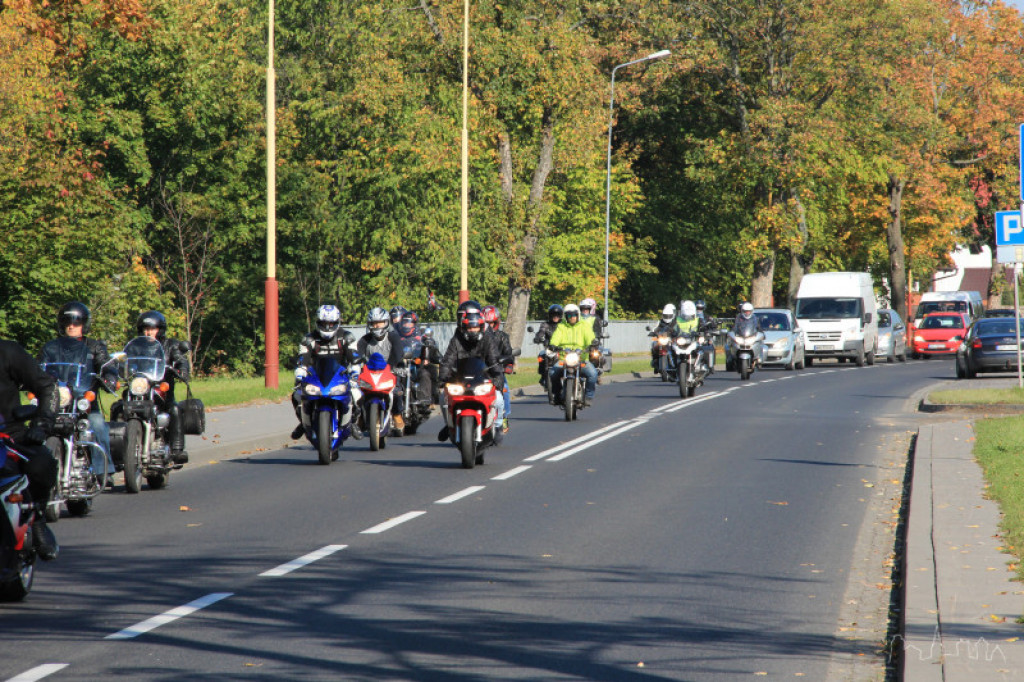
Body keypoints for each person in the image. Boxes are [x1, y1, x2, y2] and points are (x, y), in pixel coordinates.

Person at [38, 301, 118, 480]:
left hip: (83, 402)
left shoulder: (94, 347)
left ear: (84, 324)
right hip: (56, 400)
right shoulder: (51, 347)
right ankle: (31, 473)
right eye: (67, 322)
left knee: (97, 425)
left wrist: (110, 377)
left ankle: (103, 471)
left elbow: (107, 365)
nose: (71, 326)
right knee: (34, 426)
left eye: (76, 322)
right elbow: (39, 367)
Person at [0, 338, 60, 560]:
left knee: (41, 464)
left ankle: (37, 518)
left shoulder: (7, 352)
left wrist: (42, 424)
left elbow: (47, 387)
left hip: (8, 435)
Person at [290, 305, 362, 440]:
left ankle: (352, 423)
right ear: (318, 322)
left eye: (331, 324)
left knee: (357, 394)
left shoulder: (347, 337)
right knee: (296, 395)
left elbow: (355, 358)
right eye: (324, 324)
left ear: (337, 322)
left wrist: (355, 371)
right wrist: (300, 373)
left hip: (340, 377)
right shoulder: (309, 339)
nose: (328, 327)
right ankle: (304, 423)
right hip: (315, 377)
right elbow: (302, 359)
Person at [130, 311, 192, 464]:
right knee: (119, 407)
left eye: (152, 328)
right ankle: (118, 451)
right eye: (146, 328)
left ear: (160, 329)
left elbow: (180, 359)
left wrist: (182, 370)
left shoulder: (170, 345)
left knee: (175, 410)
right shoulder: (136, 346)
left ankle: (177, 450)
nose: (148, 332)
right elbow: (127, 360)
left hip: (161, 392)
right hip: (140, 388)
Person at [437, 305, 504, 441]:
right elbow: (448, 360)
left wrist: (497, 376)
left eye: (475, 327)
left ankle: (497, 426)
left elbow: (494, 360)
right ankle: (449, 424)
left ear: (481, 326)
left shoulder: (487, 339)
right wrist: (442, 377)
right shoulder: (456, 340)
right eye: (469, 327)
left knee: (499, 399)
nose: (473, 330)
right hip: (460, 379)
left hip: (483, 379)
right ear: (464, 327)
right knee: (443, 398)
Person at [356, 307, 406, 434]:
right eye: (374, 323)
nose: (377, 325)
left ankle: (396, 414)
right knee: (358, 393)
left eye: (380, 322)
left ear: (386, 322)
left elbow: (398, 355)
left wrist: (395, 367)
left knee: (397, 391)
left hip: (389, 371)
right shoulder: (365, 340)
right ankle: (361, 416)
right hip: (370, 373)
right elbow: (358, 355)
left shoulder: (393, 337)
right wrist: (356, 365)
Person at [547, 303, 598, 405]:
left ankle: (589, 396)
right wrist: (553, 345)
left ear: (578, 315)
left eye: (574, 315)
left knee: (593, 374)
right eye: (569, 315)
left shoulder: (584, 326)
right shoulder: (561, 327)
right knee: (552, 373)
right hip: (564, 358)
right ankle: (557, 394)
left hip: (581, 358)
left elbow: (590, 337)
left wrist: (592, 344)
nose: (572, 317)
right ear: (565, 316)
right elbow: (556, 338)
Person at [482, 305, 513, 433]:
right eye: (486, 323)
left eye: (491, 323)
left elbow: (509, 353)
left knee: (505, 389)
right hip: (479, 372)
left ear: (497, 322)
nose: (489, 326)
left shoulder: (502, 336)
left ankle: (504, 416)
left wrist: (508, 365)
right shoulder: (476, 337)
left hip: (496, 371)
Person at [533, 304, 563, 385]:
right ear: (550, 315)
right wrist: (538, 337)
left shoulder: (563, 325)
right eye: (553, 315)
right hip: (549, 348)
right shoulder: (546, 324)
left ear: (560, 316)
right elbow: (541, 332)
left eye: (557, 315)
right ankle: (543, 375)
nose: (555, 317)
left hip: (562, 348)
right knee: (541, 355)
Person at [650, 303, 680, 369]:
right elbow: (656, 327)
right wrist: (653, 332)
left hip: (672, 339)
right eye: (666, 316)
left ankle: (678, 362)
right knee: (653, 343)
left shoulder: (676, 322)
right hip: (663, 338)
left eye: (669, 315)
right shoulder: (660, 321)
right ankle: (655, 359)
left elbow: (679, 330)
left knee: (678, 348)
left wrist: (677, 333)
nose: (667, 317)